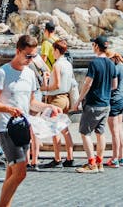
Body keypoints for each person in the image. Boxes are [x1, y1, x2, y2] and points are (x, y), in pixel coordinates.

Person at [0, 33, 60, 207]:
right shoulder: (2, 73)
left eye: (34, 56)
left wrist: (49, 107)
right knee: (21, 172)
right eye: (28, 56)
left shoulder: (30, 74)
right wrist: (8, 109)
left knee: (12, 172)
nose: (31, 59)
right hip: (5, 127)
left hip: (23, 128)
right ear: (17, 51)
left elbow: (32, 103)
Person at [72, 36, 117, 174]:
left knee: (85, 133)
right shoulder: (111, 63)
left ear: (96, 46)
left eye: (93, 45)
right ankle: (100, 162)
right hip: (106, 104)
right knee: (100, 133)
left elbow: (88, 83)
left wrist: (78, 100)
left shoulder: (94, 63)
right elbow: (114, 85)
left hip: (93, 104)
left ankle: (91, 163)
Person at [40, 39, 76, 168]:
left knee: (54, 129)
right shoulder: (67, 63)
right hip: (66, 98)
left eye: (52, 51)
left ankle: (57, 158)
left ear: (56, 50)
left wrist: (43, 88)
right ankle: (70, 157)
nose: (52, 53)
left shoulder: (57, 65)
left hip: (56, 100)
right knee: (65, 129)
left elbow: (56, 85)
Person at [105, 49, 123, 168]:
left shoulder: (114, 68)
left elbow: (113, 86)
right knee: (119, 129)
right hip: (121, 100)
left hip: (113, 101)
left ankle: (114, 159)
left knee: (114, 132)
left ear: (112, 58)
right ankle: (121, 157)